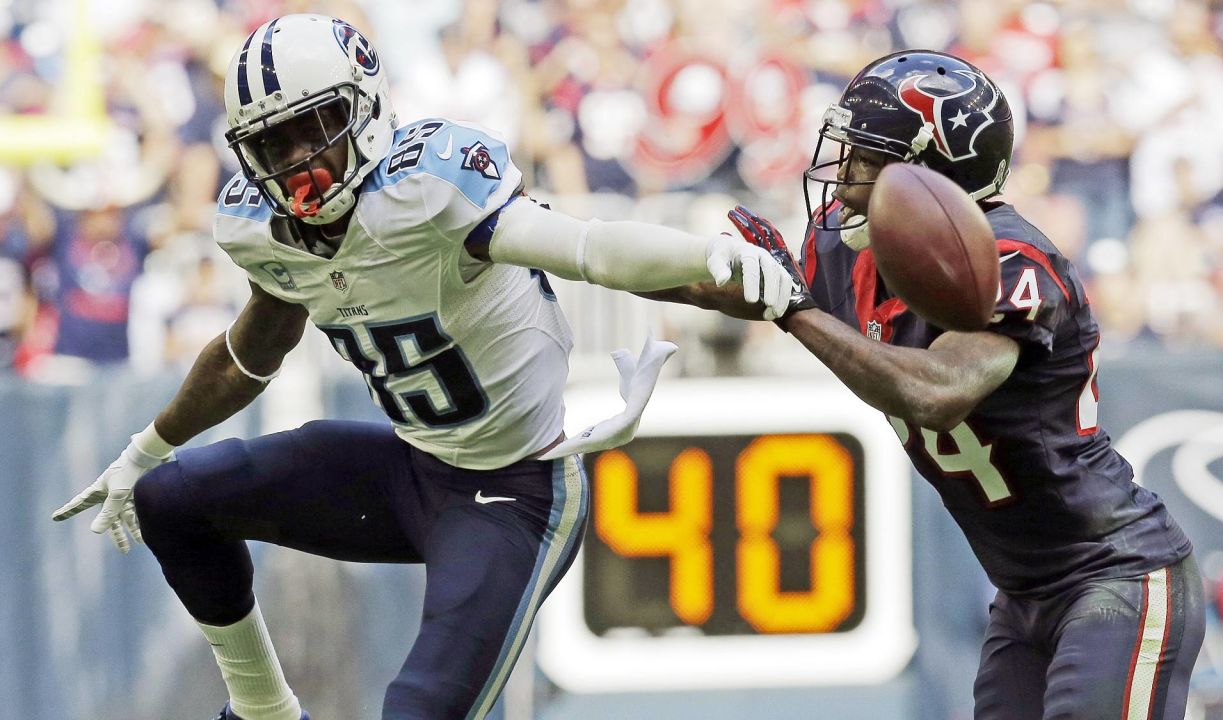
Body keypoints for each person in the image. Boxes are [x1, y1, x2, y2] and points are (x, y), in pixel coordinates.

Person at [50, 14, 792, 720]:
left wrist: (710, 261)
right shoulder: (262, 228)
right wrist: (146, 448)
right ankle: (264, 709)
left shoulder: (431, 189)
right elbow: (250, 352)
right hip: (414, 470)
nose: (295, 161)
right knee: (172, 499)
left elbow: (591, 249)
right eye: (271, 144)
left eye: (311, 128)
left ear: (366, 108)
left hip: (516, 493)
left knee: (417, 710)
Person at [656, 50, 1205, 720]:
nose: (843, 175)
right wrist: (558, 247)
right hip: (1022, 592)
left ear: (929, 177)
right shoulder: (841, 248)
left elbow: (937, 393)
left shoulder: (1010, 260)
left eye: (865, 157)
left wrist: (795, 313)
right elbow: (703, 280)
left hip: (1113, 575)